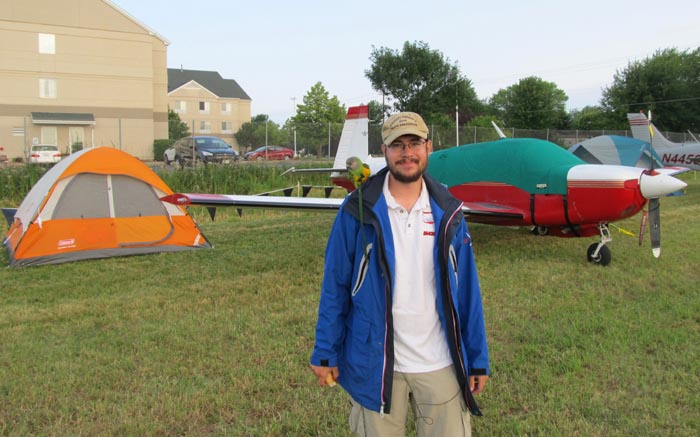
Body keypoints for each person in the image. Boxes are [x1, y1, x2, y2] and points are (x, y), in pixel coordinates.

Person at [310, 111, 490, 436]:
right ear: (385, 151)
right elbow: (335, 286)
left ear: (428, 147)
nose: (407, 153)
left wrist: (477, 357)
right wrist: (325, 351)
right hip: (376, 364)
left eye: (414, 143)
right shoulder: (356, 210)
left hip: (440, 362)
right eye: (398, 145)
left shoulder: (450, 212)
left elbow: (467, 293)